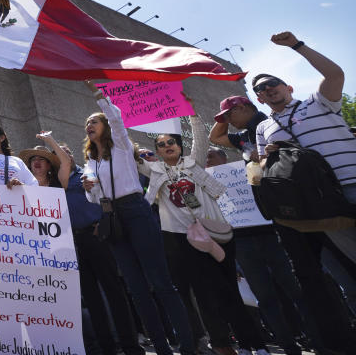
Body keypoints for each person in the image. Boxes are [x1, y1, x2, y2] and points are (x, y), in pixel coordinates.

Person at [140, 98, 269, 355]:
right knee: (204, 296)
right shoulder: (154, 173)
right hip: (182, 240)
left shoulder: (194, 163)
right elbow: (122, 149)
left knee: (229, 290)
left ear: (178, 146)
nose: (167, 146)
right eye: (161, 144)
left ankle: (251, 344)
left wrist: (192, 112)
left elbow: (200, 139)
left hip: (217, 233)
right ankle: (222, 345)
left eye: (171, 142)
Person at [81, 80, 196, 355]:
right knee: (136, 288)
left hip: (136, 211)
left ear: (105, 127)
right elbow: (94, 198)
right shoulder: (90, 161)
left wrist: (101, 99)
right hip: (112, 218)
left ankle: (189, 346)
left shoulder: (121, 146)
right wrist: (90, 188)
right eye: (86, 123)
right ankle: (161, 347)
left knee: (161, 283)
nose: (89, 125)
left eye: (94, 121)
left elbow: (117, 120)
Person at [210, 95, 319, 355]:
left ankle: (319, 339)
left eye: (231, 115)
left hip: (276, 226)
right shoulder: (243, 136)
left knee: (296, 289)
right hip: (247, 231)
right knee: (266, 297)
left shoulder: (269, 125)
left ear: (245, 107)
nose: (229, 122)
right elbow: (216, 137)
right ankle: (288, 345)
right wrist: (224, 117)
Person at [254, 32, 356, 260]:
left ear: (288, 87)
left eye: (272, 83)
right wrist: (268, 157)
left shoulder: (319, 102)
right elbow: (262, 164)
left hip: (352, 181)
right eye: (260, 89)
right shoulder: (263, 128)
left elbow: (335, 74)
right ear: (259, 99)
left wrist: (296, 45)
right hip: (319, 198)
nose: (268, 88)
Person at [56, 142, 144, 355]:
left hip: (97, 236)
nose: (63, 156)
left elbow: (105, 197)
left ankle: (130, 345)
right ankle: (107, 347)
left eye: (66, 152)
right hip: (74, 244)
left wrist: (104, 221)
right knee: (92, 298)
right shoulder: (57, 182)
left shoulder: (87, 172)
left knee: (114, 292)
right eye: (58, 155)